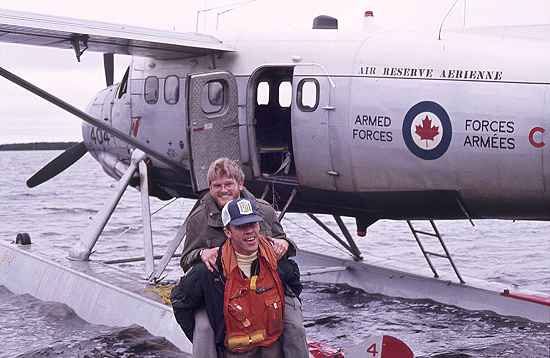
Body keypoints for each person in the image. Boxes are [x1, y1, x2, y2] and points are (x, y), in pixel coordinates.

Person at [179, 158, 308, 357]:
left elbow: (283, 244)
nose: (223, 190)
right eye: (217, 186)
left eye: (228, 184)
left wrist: (285, 244)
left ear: (240, 184)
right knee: (204, 330)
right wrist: (201, 253)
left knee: (294, 325)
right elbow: (186, 261)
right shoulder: (198, 218)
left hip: (263, 285)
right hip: (217, 288)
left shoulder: (263, 210)